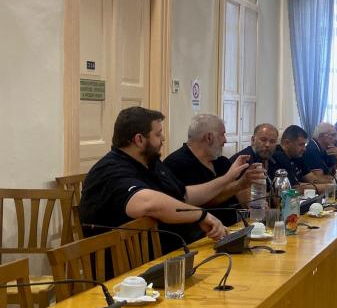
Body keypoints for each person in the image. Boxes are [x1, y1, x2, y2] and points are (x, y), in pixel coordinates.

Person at [79, 107, 237, 253]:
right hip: (129, 266)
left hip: (174, 250)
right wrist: (201, 215)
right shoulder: (110, 171)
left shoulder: (151, 163)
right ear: (139, 139)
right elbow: (148, 203)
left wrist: (228, 178)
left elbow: (183, 195)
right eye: (158, 134)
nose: (163, 138)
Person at [164, 114, 266, 226]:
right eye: (222, 134)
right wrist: (239, 184)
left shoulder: (221, 161)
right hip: (204, 231)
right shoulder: (176, 164)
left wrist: (255, 202)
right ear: (209, 137)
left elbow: (239, 191)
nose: (225, 140)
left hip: (235, 226)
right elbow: (201, 202)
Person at [272, 125, 318, 194]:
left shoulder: (296, 155)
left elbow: (312, 179)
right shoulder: (278, 156)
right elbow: (294, 188)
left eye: (304, 144)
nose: (304, 149)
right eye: (301, 145)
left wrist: (332, 182)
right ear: (287, 143)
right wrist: (327, 187)